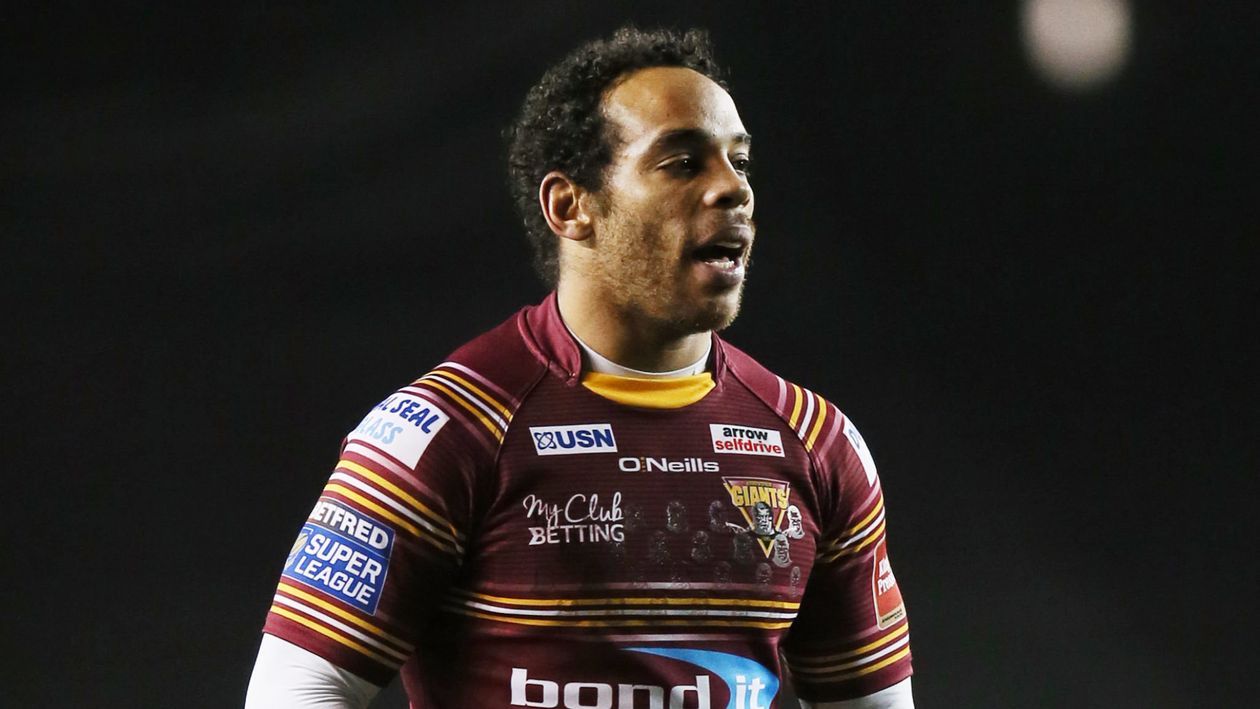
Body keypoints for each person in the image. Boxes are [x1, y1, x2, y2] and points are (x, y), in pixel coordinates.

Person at [245, 26, 915, 709]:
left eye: (739, 162)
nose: (732, 190)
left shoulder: (817, 443)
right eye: (683, 163)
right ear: (571, 206)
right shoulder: (445, 432)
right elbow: (295, 692)